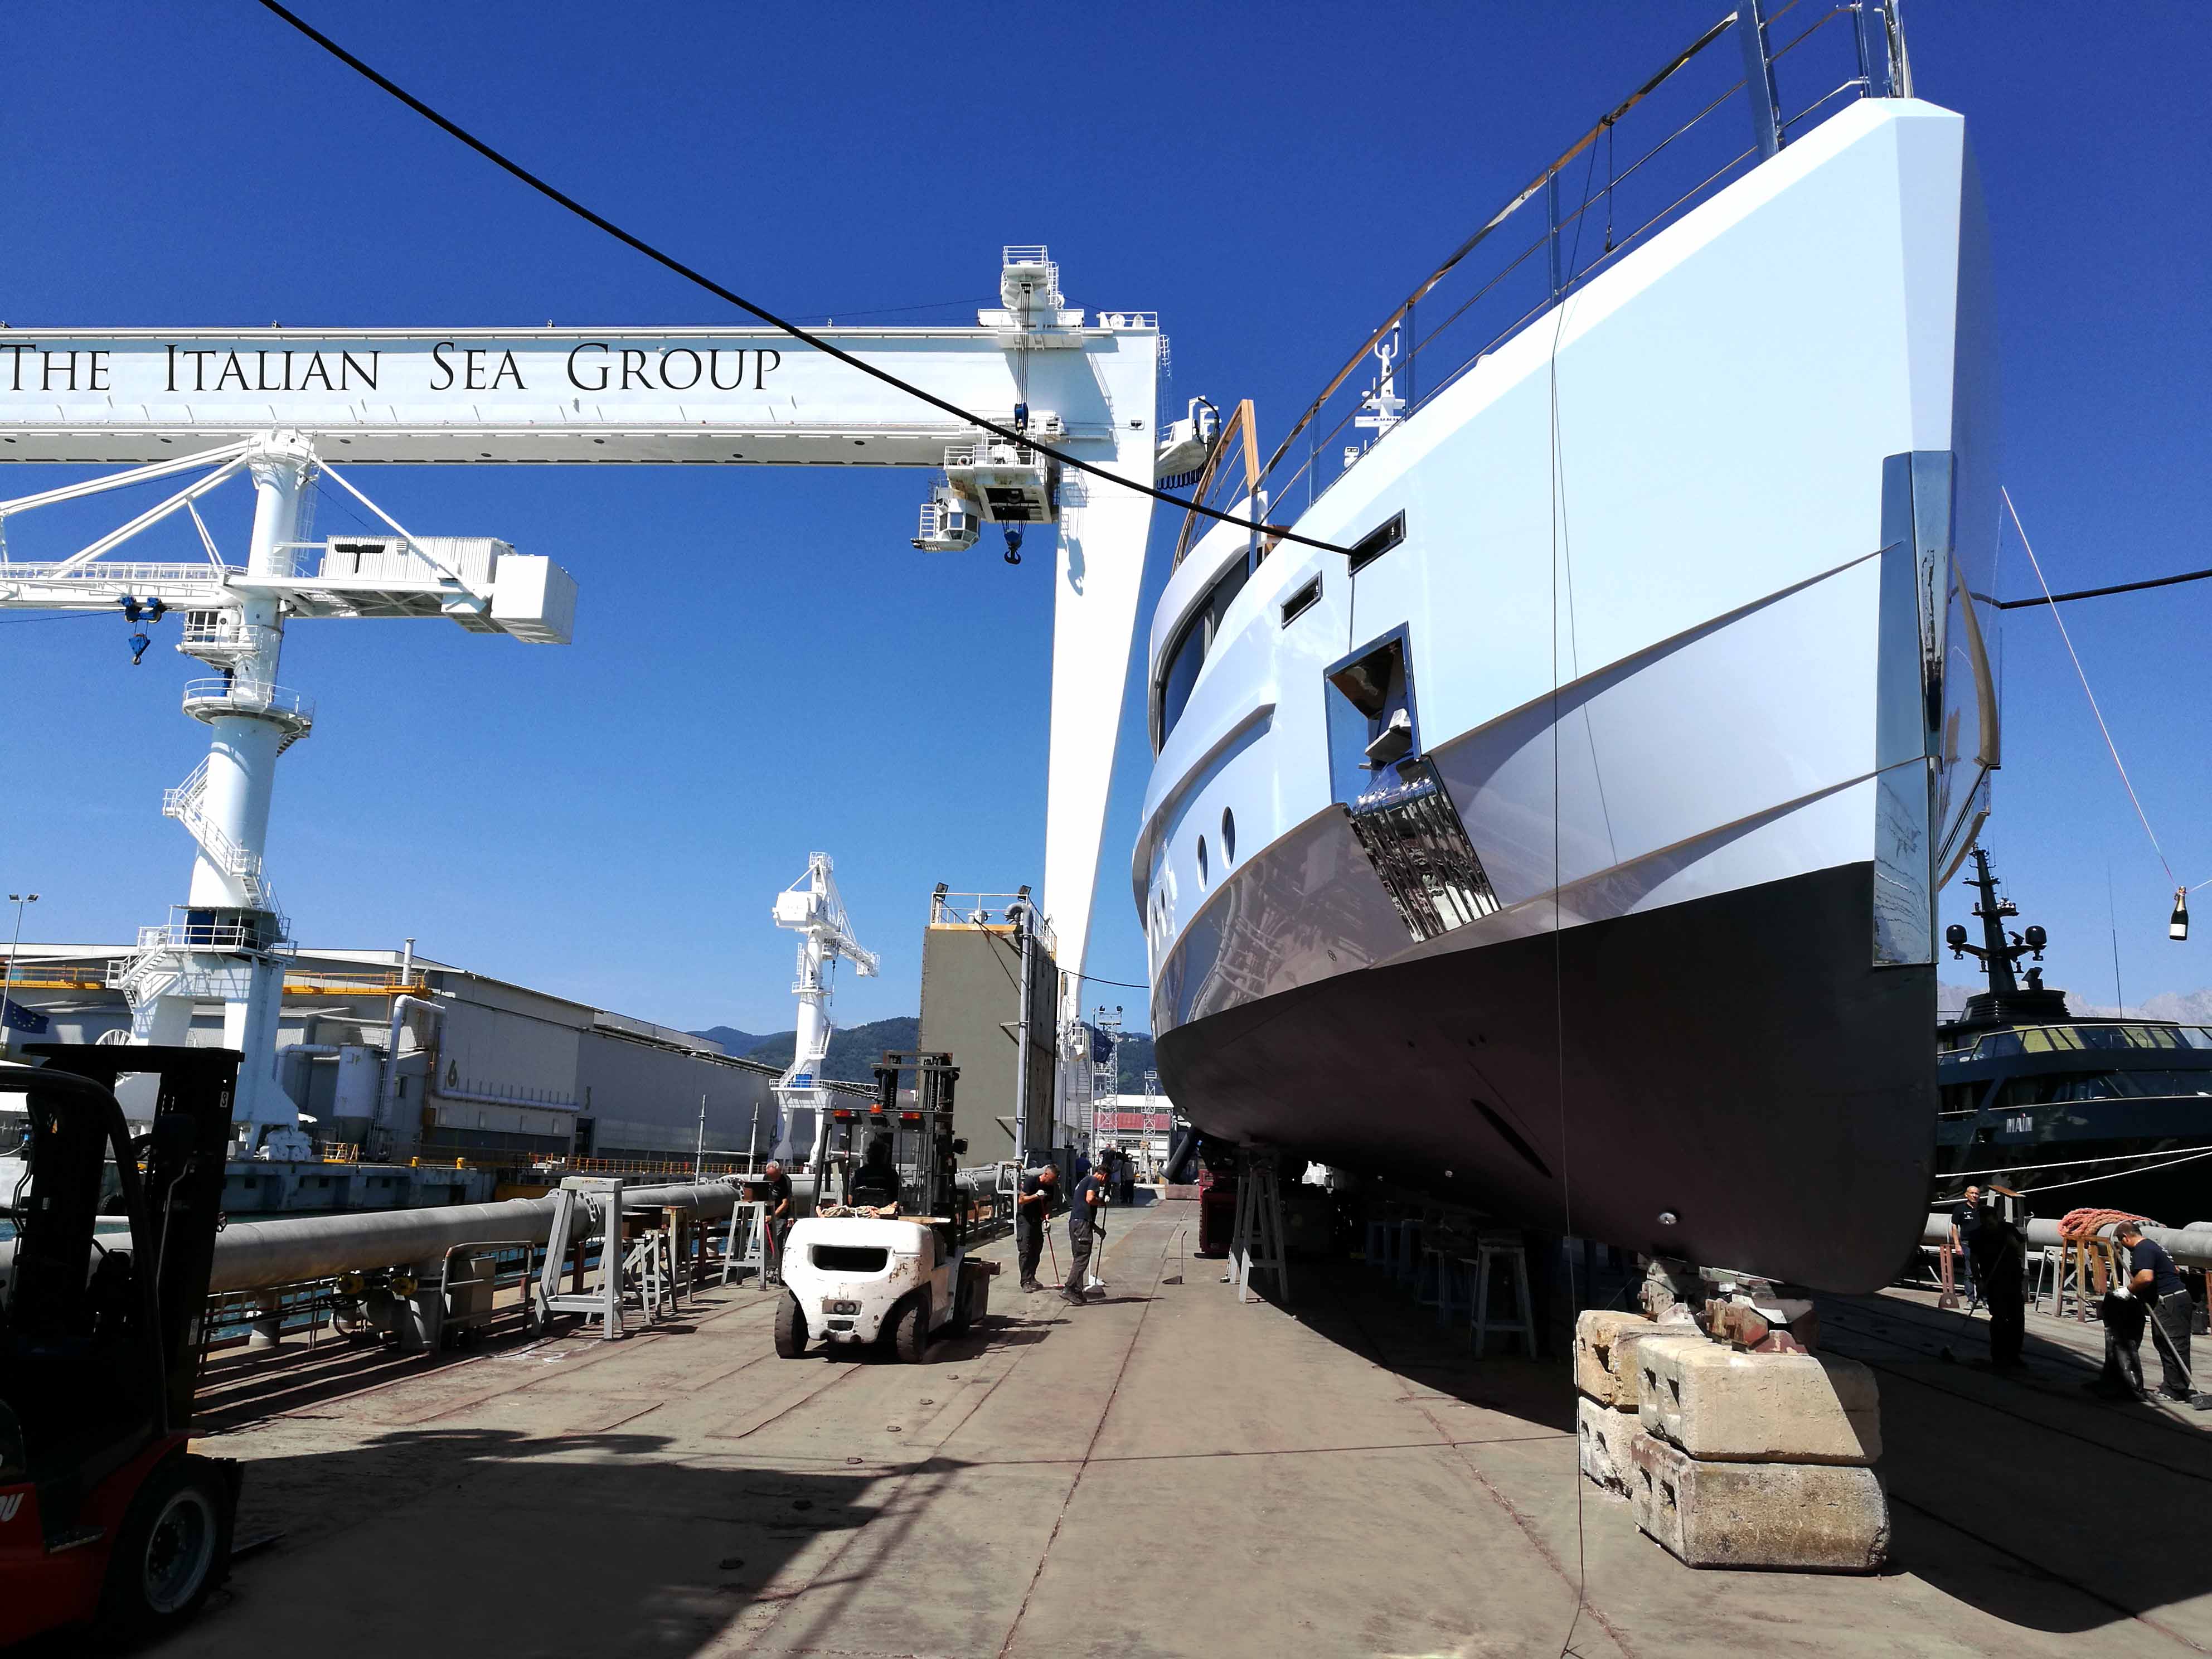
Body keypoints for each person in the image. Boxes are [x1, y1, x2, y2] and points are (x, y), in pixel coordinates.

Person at [2117, 1220, 2208, 1408]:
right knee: (2166, 1343)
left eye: (2121, 1242)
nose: (2123, 1246)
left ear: (2125, 1237)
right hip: (2173, 1299)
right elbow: (2174, 1270)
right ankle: (2175, 1386)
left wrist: (2128, 1290)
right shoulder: (2154, 1246)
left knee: (2172, 1344)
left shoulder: (2142, 1249)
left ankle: (2174, 1390)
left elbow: (2145, 1277)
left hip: (2170, 1302)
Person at [1965, 1185, 2026, 1371]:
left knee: (2017, 1319)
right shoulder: (1978, 1235)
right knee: (1999, 1318)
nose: (1988, 1223)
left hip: (2013, 1279)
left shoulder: (2008, 1229)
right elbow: (1974, 1259)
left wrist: (2012, 1243)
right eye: (1985, 1221)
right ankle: (1998, 1356)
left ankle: (2014, 1355)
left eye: (1990, 1220)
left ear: (1995, 1218)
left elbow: (2020, 1247)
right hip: (1993, 1281)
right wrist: (1978, 1280)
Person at [1064, 1156, 1110, 1306]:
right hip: (1081, 1225)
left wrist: (1098, 1230)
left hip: (1077, 1223)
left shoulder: (1084, 1181)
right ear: (1103, 1175)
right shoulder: (1094, 1180)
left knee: (1079, 1257)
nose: (1104, 1183)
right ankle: (1069, 1288)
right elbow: (1090, 1199)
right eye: (1106, 1180)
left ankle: (1077, 1291)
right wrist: (1101, 1202)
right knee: (1083, 1257)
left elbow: (1085, 1212)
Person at [1015, 1162, 1058, 1292]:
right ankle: (1025, 1281)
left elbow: (1048, 1206)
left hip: (1037, 1219)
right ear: (1046, 1174)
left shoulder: (1051, 1187)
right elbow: (1021, 1200)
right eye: (1051, 1180)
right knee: (1025, 1249)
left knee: (1037, 1247)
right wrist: (1036, 1196)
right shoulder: (1031, 1182)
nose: (1052, 1183)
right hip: (1025, 1218)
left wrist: (1047, 1219)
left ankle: (1032, 1277)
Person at [845, 1136, 902, 1215]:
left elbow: (850, 1199)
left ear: (869, 1155)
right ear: (885, 1156)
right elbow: (898, 1199)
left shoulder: (859, 1174)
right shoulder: (892, 1175)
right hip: (885, 1217)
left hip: (860, 1216)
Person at [1947, 1185, 1982, 1309]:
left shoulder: (1983, 1210)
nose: (1974, 1196)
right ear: (1966, 1195)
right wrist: (1957, 1245)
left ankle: (1985, 1300)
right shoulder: (1960, 1209)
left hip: (1982, 1245)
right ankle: (1971, 1300)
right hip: (1967, 1245)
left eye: (1977, 1194)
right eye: (1972, 1193)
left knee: (1984, 1272)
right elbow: (1954, 1226)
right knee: (1970, 1272)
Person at [761, 1159, 794, 1286]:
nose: (773, 1179)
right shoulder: (767, 1178)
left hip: (780, 1214)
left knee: (778, 1241)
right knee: (765, 1242)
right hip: (767, 1214)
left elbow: (785, 1203)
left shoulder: (786, 1181)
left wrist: (773, 1216)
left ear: (779, 1171)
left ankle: (778, 1270)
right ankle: (768, 1269)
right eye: (771, 1177)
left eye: (775, 1176)